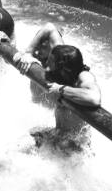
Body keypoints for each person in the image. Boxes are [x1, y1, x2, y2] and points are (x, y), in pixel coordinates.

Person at [15, 23, 101, 152]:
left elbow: (94, 98)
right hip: (58, 134)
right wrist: (28, 53)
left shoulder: (84, 77)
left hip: (74, 146)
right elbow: (49, 28)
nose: (47, 68)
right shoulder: (61, 56)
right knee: (24, 140)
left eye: (50, 64)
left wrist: (61, 89)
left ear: (62, 67)